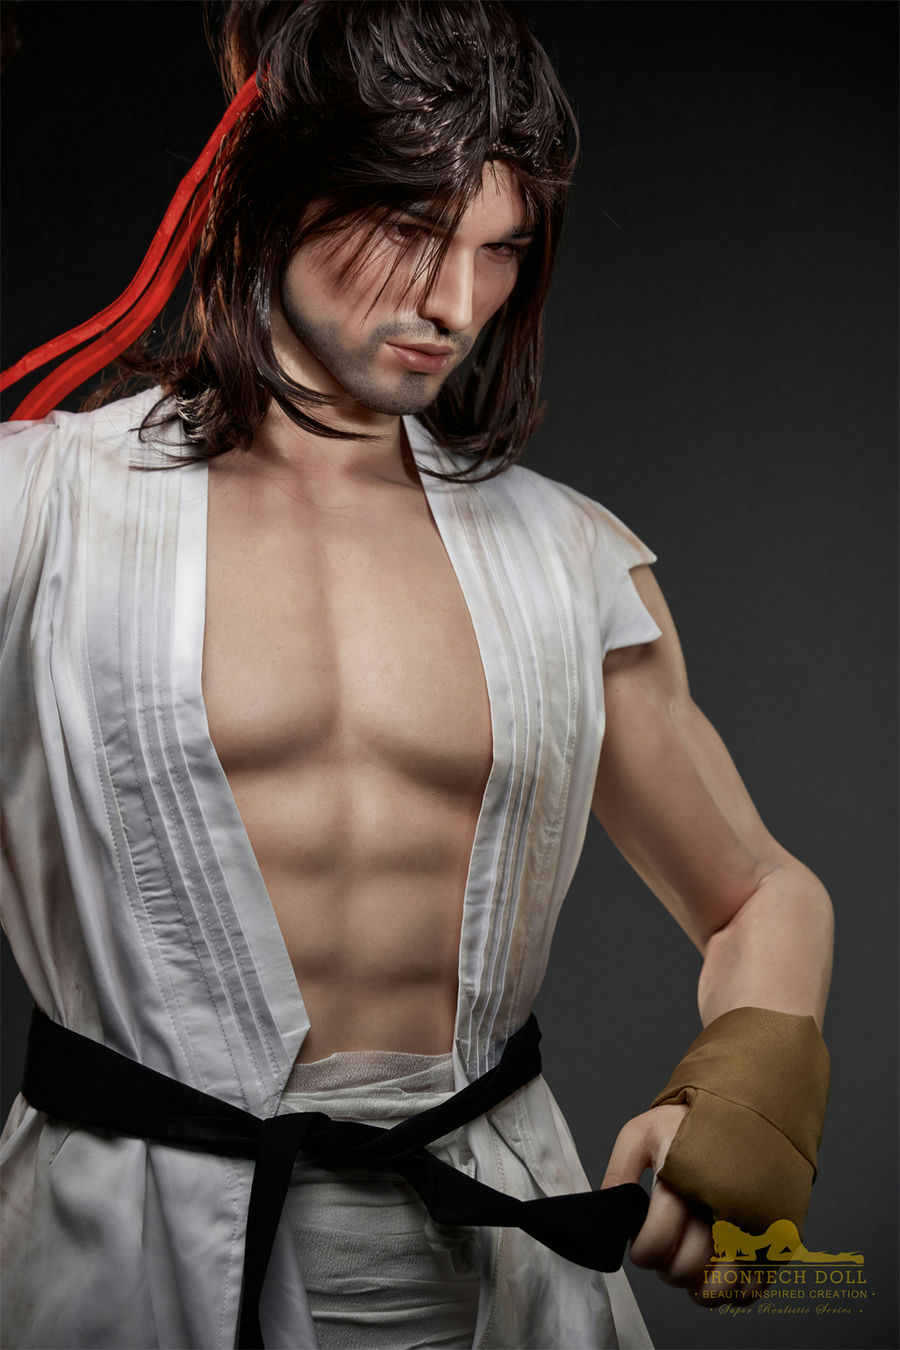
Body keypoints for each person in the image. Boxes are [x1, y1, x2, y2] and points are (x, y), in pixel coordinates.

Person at [0, 3, 833, 1348]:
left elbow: (759, 892)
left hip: (500, 1264)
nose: (454, 306)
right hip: (120, 1268)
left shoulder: (569, 561)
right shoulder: (34, 513)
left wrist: (746, 1090)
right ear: (271, 186)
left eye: (498, 249)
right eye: (409, 229)